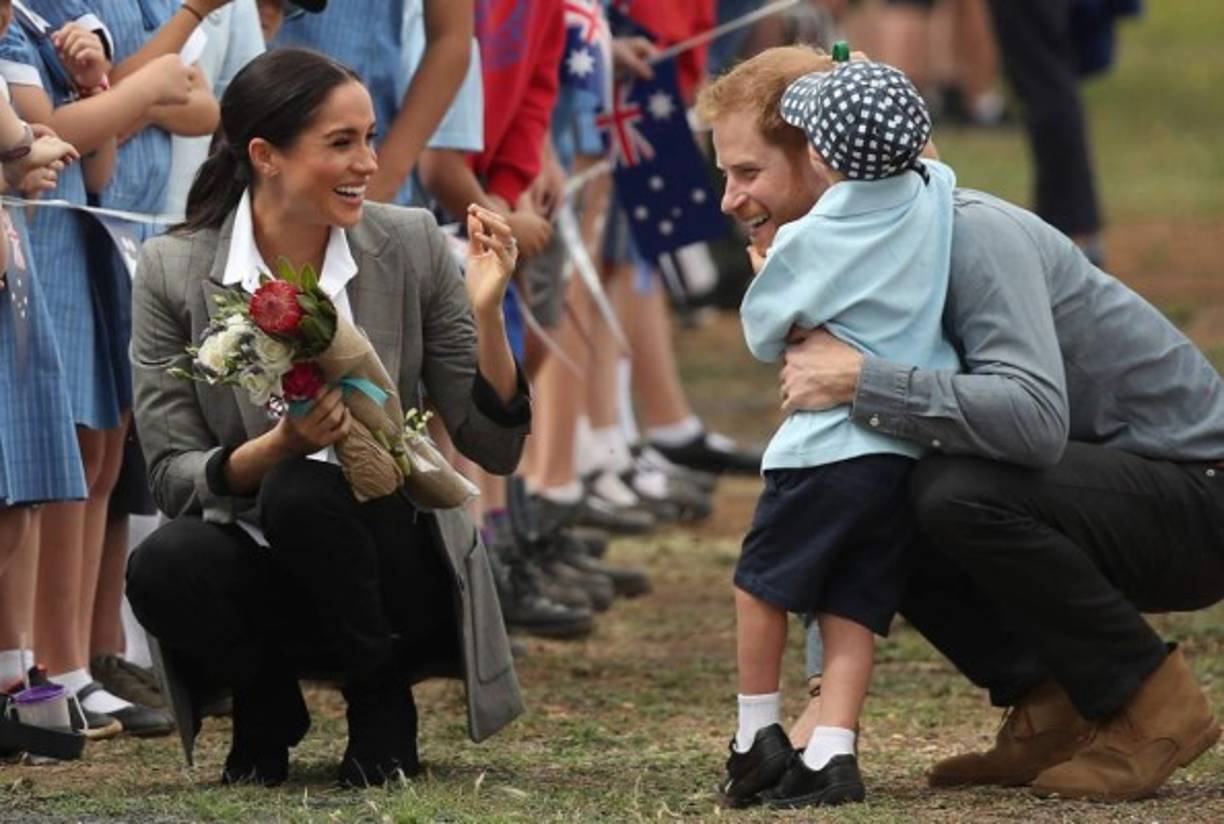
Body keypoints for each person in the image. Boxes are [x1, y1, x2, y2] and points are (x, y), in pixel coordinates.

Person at [705, 43, 1224, 803]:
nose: (729, 198)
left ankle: (1152, 704)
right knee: (871, 477)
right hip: (1100, 490)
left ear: (820, 159)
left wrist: (864, 379)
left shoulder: (969, 232)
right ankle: (1051, 704)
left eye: (747, 173)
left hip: (1196, 496)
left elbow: (1035, 421)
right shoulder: (865, 257)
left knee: (946, 485)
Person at [124, 48, 531, 787]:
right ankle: (266, 703)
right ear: (265, 156)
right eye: (342, 143)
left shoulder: (408, 243)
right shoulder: (171, 270)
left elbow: (491, 444)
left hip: (394, 568)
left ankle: (382, 701)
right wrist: (279, 446)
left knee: (305, 493)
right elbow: (172, 477)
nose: (369, 162)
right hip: (261, 564)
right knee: (163, 562)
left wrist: (488, 313)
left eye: (370, 138)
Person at [711, 58, 959, 810]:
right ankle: (833, 750)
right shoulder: (935, 195)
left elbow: (764, 334)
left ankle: (757, 733)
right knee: (853, 602)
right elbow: (936, 167)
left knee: (760, 590)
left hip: (822, 451)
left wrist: (765, 270)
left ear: (816, 155)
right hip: (899, 451)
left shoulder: (808, 240)